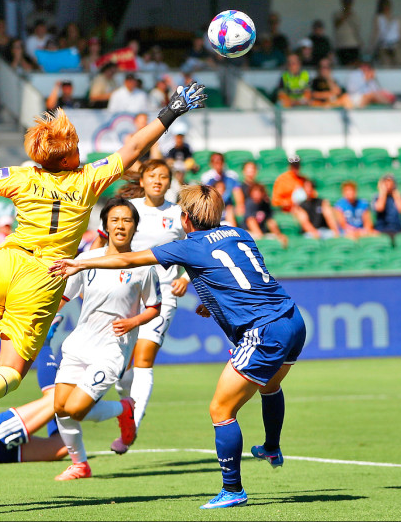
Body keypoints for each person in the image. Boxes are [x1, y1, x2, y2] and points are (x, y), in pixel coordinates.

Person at [0, 81, 207, 450]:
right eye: (77, 149)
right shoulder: (87, 179)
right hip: (43, 278)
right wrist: (172, 110)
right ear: (68, 159)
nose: (81, 152)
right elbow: (133, 147)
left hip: (6, 262)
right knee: (11, 371)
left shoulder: (22, 177)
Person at [49, 184, 307, 509]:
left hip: (263, 331)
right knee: (271, 386)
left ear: (185, 218)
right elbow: (241, 277)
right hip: (293, 319)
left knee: (221, 411)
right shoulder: (240, 234)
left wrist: (83, 264)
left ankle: (233, 490)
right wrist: (215, 302)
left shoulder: (187, 247)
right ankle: (271, 446)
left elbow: (131, 259)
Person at [52, 197, 161, 479]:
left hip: (113, 349)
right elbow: (64, 296)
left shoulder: (143, 265)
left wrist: (134, 321)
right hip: (80, 343)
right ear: (106, 226)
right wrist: (45, 319)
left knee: (76, 409)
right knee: (60, 408)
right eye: (115, 220)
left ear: (135, 227)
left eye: (127, 220)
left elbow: (154, 307)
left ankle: (124, 408)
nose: (121, 225)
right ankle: (80, 464)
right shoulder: (87, 259)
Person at [90, 161, 190, 453]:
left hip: (162, 295)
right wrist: (85, 274)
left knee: (143, 359)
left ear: (169, 182)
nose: (158, 181)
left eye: (163, 177)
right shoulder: (126, 208)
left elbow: (195, 249)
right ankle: (127, 409)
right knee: (121, 368)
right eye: (152, 176)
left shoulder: (177, 214)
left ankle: (134, 423)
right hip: (124, 291)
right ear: (143, 180)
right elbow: (99, 242)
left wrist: (185, 278)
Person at [200, 152, 245, 221]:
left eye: (220, 160)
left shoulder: (231, 175)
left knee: (230, 210)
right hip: (213, 206)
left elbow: (237, 191)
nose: (218, 163)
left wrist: (240, 205)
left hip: (228, 205)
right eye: (215, 161)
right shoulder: (206, 177)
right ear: (211, 163)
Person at [244, 183, 289, 248]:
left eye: (259, 192)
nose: (257, 194)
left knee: (279, 239)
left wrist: (278, 234)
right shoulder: (250, 203)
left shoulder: (265, 204)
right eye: (255, 192)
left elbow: (270, 221)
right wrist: (261, 238)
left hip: (263, 232)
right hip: (249, 232)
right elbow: (250, 221)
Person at [371, 0, 401, 66]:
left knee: (386, 69)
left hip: (383, 46)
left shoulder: (378, 18)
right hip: (396, 46)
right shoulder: (397, 19)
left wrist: (371, 47)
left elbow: (376, 34)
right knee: (398, 69)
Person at [371, 173, 401, 237]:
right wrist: (383, 192)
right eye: (386, 183)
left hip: (397, 229)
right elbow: (380, 208)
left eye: (390, 182)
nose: (388, 185)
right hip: (381, 229)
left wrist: (396, 194)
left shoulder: (399, 197)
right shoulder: (377, 197)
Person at [333, 0, 362, 66]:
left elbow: (357, 30)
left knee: (354, 67)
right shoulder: (337, 14)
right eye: (346, 0)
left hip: (353, 45)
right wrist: (345, 11)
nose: (348, 3)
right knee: (343, 67)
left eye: (349, 1)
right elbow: (336, 24)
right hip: (341, 45)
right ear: (342, 1)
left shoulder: (355, 15)